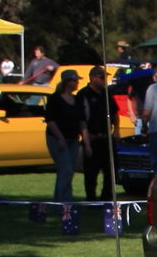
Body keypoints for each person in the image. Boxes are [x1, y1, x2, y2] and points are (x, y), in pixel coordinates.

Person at [45, 69, 88, 203]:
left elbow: (82, 122)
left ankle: (66, 203)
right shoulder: (55, 99)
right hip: (57, 139)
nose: (77, 83)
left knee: (68, 172)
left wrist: (86, 143)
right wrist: (60, 138)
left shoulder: (77, 100)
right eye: (74, 81)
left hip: (73, 140)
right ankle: (61, 204)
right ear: (67, 82)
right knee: (66, 170)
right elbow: (50, 120)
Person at [80, 66, 116, 202]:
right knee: (91, 172)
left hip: (106, 137)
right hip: (92, 138)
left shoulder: (107, 94)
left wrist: (116, 131)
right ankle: (91, 199)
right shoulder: (84, 94)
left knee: (110, 171)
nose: (104, 81)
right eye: (102, 78)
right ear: (93, 78)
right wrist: (86, 137)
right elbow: (80, 118)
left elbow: (114, 113)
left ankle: (106, 197)